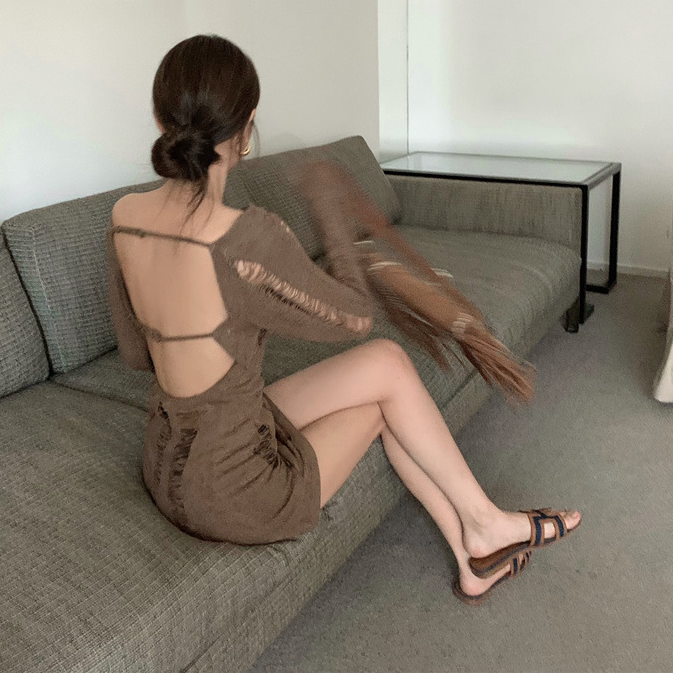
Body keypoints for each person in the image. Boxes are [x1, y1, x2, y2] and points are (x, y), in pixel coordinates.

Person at [106, 34, 581, 606]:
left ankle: (475, 546)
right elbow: (355, 317)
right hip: (234, 495)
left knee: (387, 364)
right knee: (386, 399)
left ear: (159, 117)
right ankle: (482, 527)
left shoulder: (124, 216)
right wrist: (329, 212)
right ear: (247, 129)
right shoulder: (245, 237)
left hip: (165, 462)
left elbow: (135, 354)